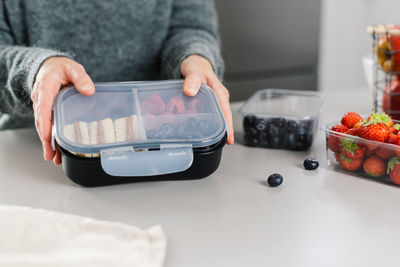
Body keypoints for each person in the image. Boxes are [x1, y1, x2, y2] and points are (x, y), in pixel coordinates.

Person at [0, 0, 234, 164]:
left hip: (161, 145)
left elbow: (190, 26)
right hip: (31, 152)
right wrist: (36, 69)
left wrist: (195, 57)